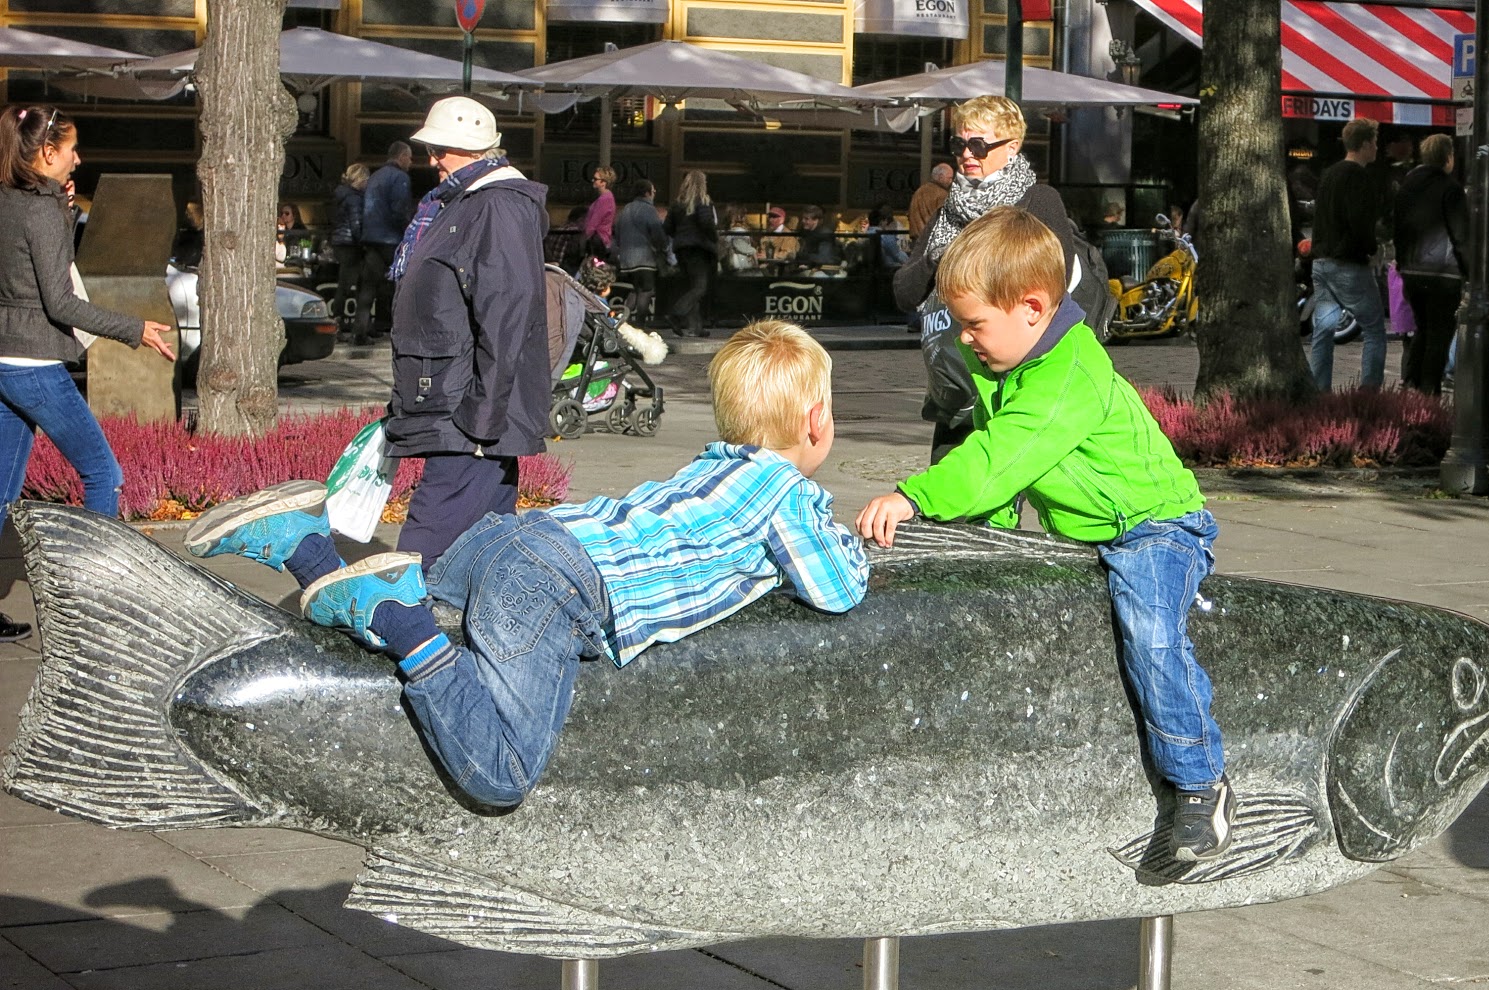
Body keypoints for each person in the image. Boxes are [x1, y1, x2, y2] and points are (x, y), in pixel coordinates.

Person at [184, 319, 869, 807]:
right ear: (816, 421)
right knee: (501, 772)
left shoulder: (709, 467)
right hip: (555, 585)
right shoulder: (787, 492)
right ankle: (401, 615)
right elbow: (836, 589)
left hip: (508, 539)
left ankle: (303, 544)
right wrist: (856, 545)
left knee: (388, 626)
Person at [856, 206, 1232, 863]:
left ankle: (1199, 781)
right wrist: (987, 541)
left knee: (1151, 630)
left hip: (1153, 526)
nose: (964, 338)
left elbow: (1003, 457)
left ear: (1032, 309)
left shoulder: (1068, 371)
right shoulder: (1003, 360)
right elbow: (1005, 467)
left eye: (975, 324)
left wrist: (916, 497)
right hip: (1085, 530)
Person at [0, 104, 176, 643]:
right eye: (72, 149)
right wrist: (133, 328)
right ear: (47, 152)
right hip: (34, 365)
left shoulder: (11, 199)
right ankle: (92, 607)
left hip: (3, 359)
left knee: (2, 489)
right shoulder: (39, 210)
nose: (78, 158)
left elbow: (26, 268)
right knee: (104, 475)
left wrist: (62, 208)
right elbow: (59, 302)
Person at [377, 97, 551, 573]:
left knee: (424, 556)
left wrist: (482, 420)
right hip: (458, 403)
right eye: (431, 149)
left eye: (441, 149)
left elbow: (507, 311)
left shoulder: (497, 204)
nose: (433, 160)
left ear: (475, 150)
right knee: (480, 555)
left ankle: (407, 618)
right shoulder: (463, 202)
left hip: (469, 414)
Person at [894, 94, 1106, 463]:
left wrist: (973, 262)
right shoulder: (948, 212)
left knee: (1006, 476)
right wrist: (940, 257)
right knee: (949, 479)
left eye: (978, 145)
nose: (967, 155)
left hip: (1018, 381)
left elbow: (1053, 279)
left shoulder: (1038, 200)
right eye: (959, 144)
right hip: (959, 382)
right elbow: (904, 293)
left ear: (1012, 147)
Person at [1308, 117, 1385, 392]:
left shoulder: (1329, 174)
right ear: (1364, 145)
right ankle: (1369, 393)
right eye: (1374, 142)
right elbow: (1359, 221)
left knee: (1323, 330)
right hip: (1348, 263)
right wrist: (1372, 249)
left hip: (1322, 260)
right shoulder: (1358, 177)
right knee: (1374, 329)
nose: (1377, 147)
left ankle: (1320, 391)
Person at [1393, 134, 1466, 397]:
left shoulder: (1407, 186)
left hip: (1412, 270)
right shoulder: (1451, 188)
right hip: (1443, 273)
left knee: (1422, 328)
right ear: (1448, 157)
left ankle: (1411, 382)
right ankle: (1429, 390)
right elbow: (1460, 234)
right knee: (1440, 333)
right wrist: (1468, 269)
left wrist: (1402, 263)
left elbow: (1397, 228)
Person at [353, 140, 415, 346]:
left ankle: (360, 330)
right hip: (391, 238)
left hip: (371, 237)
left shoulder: (375, 177)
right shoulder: (400, 178)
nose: (411, 162)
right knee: (400, 284)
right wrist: (408, 230)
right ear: (402, 157)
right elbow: (399, 208)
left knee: (368, 286)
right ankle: (399, 328)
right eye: (410, 158)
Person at [664, 169, 718, 338]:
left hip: (681, 249)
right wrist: (714, 238)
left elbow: (667, 227)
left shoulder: (677, 203)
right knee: (700, 287)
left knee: (691, 287)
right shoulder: (703, 201)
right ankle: (675, 314)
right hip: (698, 249)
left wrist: (680, 236)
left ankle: (696, 327)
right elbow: (706, 222)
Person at [614, 177, 670, 323]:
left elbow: (617, 234)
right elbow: (657, 233)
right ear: (647, 193)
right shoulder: (648, 209)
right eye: (653, 191)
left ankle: (622, 322)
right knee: (646, 290)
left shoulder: (625, 209)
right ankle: (640, 323)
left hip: (626, 259)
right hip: (644, 258)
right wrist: (664, 247)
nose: (654, 194)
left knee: (634, 290)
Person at [328, 162, 369, 335]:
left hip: (339, 242)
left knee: (343, 284)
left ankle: (339, 322)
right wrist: (363, 241)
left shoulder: (340, 195)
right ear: (360, 179)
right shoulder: (354, 198)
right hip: (351, 244)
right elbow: (356, 224)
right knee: (349, 285)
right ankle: (340, 324)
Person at [906, 162, 953, 247]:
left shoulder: (919, 192)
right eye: (949, 178)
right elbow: (946, 219)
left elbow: (909, 215)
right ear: (941, 177)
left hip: (916, 241)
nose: (951, 181)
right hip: (933, 241)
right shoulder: (942, 195)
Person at [582, 164, 617, 260]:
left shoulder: (604, 199)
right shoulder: (607, 198)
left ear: (604, 182)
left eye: (595, 179)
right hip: (601, 239)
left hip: (598, 239)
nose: (593, 180)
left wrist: (585, 237)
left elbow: (594, 222)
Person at [794, 205, 841, 272]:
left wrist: (798, 255)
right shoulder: (808, 233)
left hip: (826, 272)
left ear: (815, 220)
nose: (803, 221)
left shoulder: (824, 235)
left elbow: (823, 259)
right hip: (814, 268)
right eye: (803, 218)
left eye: (806, 219)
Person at [719, 203, 761, 274]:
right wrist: (753, 251)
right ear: (738, 216)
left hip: (733, 262)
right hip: (740, 262)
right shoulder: (738, 230)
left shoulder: (728, 230)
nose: (745, 217)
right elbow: (740, 245)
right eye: (744, 214)